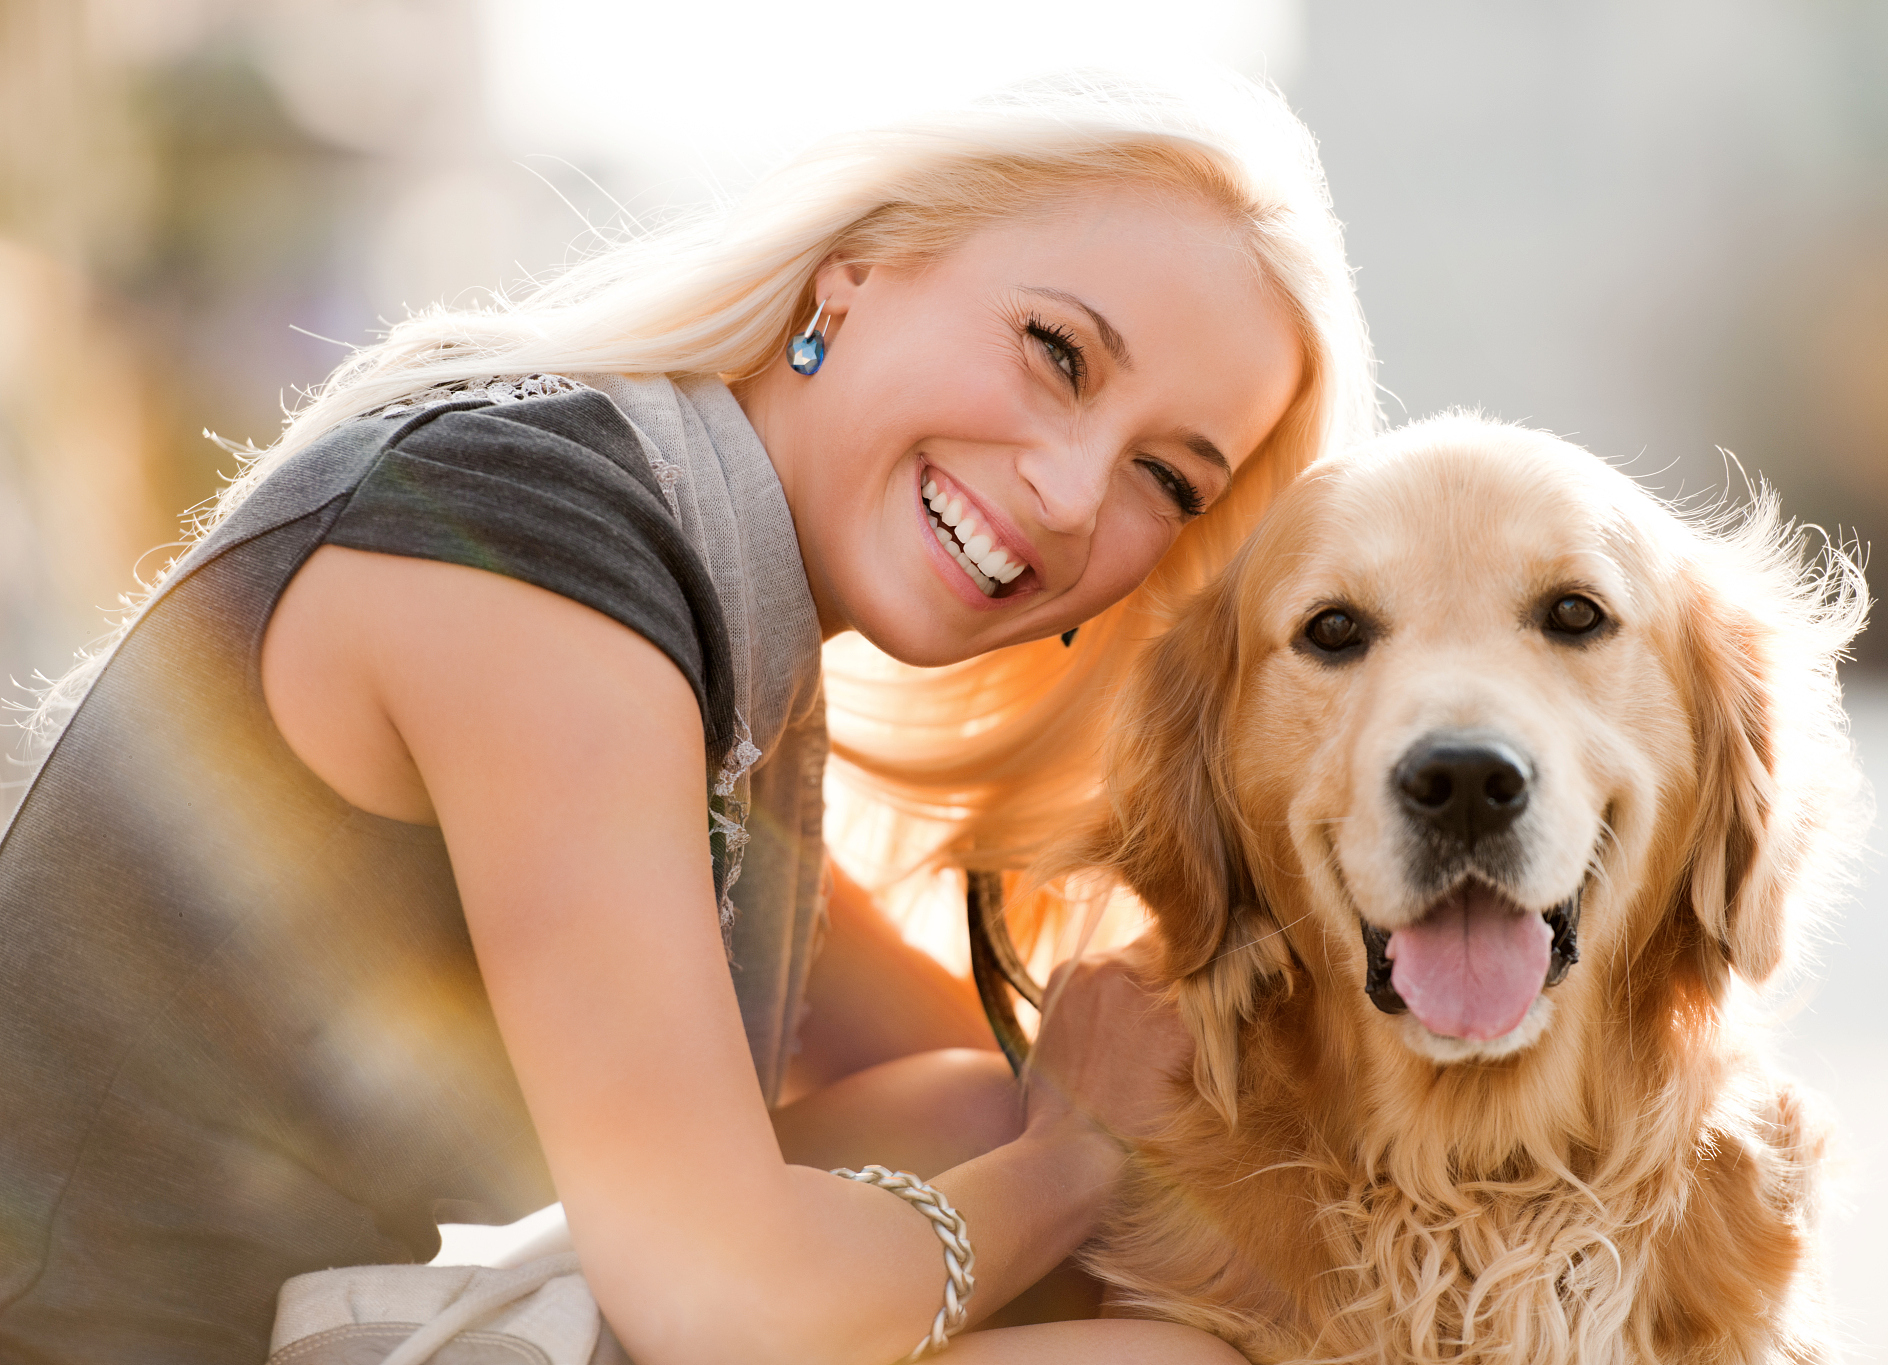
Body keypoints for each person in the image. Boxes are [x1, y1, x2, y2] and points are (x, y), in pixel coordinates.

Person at [0, 71, 1371, 1364]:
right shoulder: (532, 557)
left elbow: (1003, 1062)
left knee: (973, 1113)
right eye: (1057, 352)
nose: (1074, 494)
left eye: (1167, 480)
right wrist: (1064, 1165)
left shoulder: (715, 627)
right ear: (859, 271)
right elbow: (728, 1300)